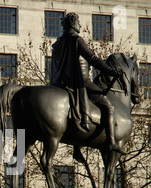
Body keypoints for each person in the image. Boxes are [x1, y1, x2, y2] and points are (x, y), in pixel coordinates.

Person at [50, 12, 126, 155]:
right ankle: (111, 142)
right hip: (81, 81)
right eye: (78, 22)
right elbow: (92, 59)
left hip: (60, 82)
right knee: (108, 107)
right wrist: (110, 71)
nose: (80, 25)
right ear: (73, 24)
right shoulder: (77, 40)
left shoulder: (57, 43)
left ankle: (77, 147)